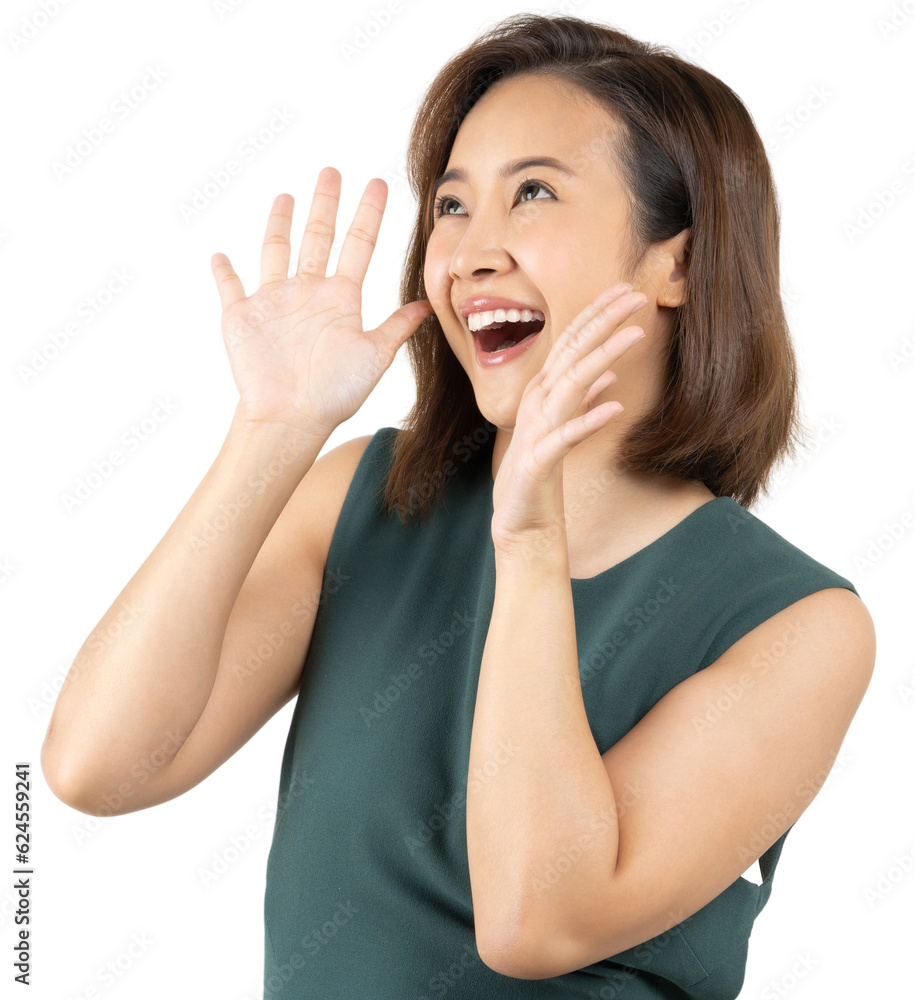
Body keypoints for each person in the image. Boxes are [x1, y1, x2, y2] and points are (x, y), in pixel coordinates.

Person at [41, 11, 875, 999]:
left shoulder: (798, 626)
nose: (472, 252)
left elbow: (533, 919)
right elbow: (98, 766)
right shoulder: (366, 497)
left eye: (532, 193)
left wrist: (528, 545)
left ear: (678, 264)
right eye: (450, 205)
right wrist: (272, 431)